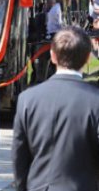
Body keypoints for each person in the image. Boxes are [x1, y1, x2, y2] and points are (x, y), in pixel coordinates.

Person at [13, 26, 99, 190]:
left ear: (52, 56)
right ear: (88, 58)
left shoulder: (27, 99)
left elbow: (20, 157)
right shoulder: (95, 101)